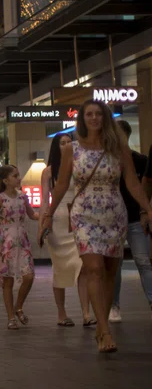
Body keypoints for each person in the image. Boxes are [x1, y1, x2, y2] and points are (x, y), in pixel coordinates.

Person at [42, 101, 150, 352]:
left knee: (110, 271)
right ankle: (104, 329)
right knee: (93, 268)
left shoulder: (119, 149)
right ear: (82, 119)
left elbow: (132, 183)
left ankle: (103, 325)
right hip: (84, 214)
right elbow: (61, 185)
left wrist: (148, 208)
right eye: (89, 114)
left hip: (114, 214)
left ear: (105, 118)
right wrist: (48, 214)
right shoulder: (71, 149)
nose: (94, 118)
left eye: (98, 114)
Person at [40, 133, 93, 327]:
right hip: (57, 221)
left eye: (69, 142)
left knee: (83, 266)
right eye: (62, 143)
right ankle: (61, 313)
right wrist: (42, 224)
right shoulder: (48, 172)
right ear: (56, 147)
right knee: (59, 268)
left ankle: (86, 313)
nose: (66, 145)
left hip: (78, 218)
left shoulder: (79, 166)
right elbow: (45, 200)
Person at [111, 121, 151, 321]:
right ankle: (114, 306)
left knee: (143, 261)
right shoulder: (108, 161)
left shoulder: (140, 160)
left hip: (136, 218)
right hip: (113, 220)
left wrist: (146, 211)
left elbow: (144, 186)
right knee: (115, 265)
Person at [0, 165, 37, 330]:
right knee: (8, 280)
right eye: (15, 176)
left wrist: (47, 215)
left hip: (22, 241)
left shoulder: (23, 196)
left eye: (18, 175)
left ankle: (19, 306)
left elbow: (32, 214)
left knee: (29, 276)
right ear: (5, 180)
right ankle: (11, 316)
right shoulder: (0, 199)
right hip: (6, 242)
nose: (18, 178)